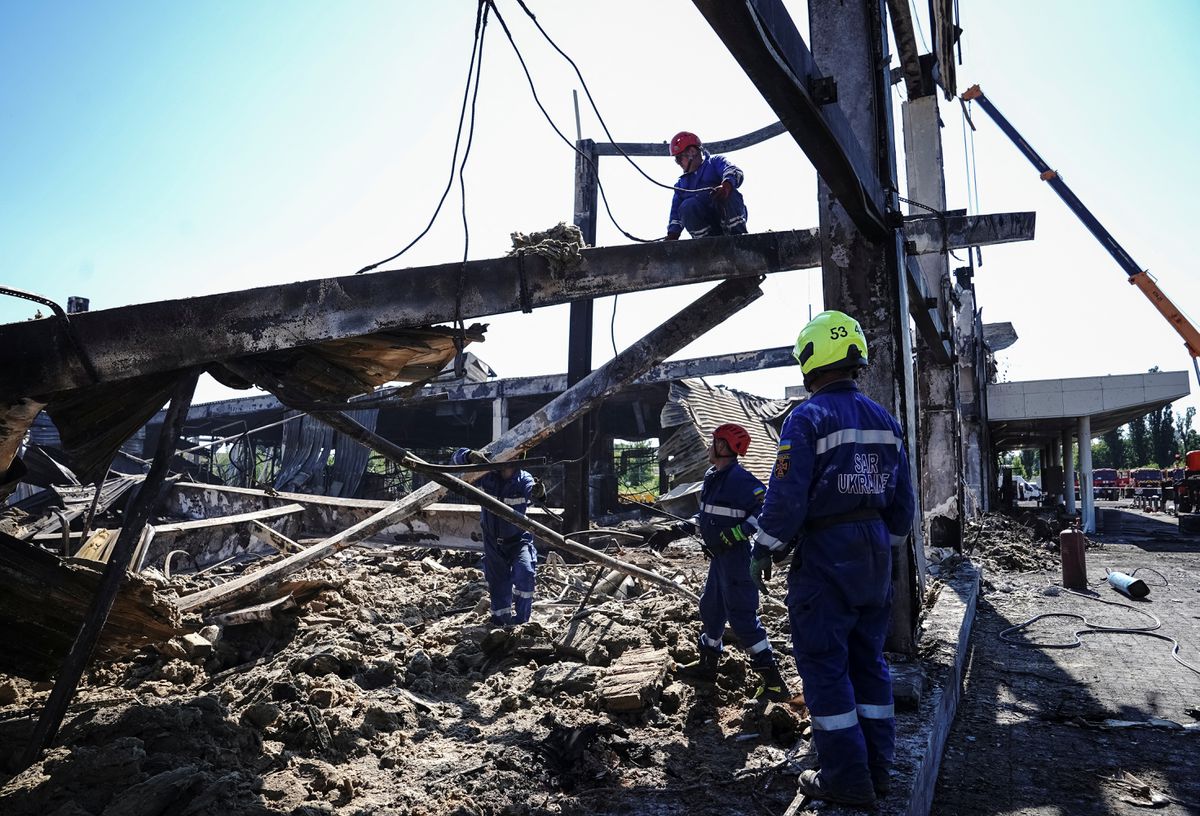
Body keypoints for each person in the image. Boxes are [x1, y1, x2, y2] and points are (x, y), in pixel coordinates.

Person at [749, 311, 916, 807]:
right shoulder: (885, 421)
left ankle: (845, 777)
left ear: (810, 358)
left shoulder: (807, 418)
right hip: (874, 557)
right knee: (869, 663)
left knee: (825, 666)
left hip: (826, 556)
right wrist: (880, 549)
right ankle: (878, 769)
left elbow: (785, 498)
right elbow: (904, 508)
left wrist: (764, 549)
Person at [675, 424, 791, 702]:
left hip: (737, 559)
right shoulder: (712, 476)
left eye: (713, 441)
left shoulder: (742, 480)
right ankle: (707, 666)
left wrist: (735, 534)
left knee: (742, 618)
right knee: (711, 608)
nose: (708, 446)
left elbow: (764, 511)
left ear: (724, 447)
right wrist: (677, 530)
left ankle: (774, 682)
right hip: (718, 559)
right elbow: (706, 515)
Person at [451, 448, 545, 627]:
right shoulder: (487, 476)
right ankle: (500, 623)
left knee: (525, 574)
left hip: (518, 541)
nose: (511, 459)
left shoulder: (523, 479)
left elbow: (534, 493)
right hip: (493, 542)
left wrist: (538, 492)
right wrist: (469, 455)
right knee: (498, 584)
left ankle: (522, 623)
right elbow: (454, 461)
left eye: (515, 456)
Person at [665, 131, 748, 240]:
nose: (678, 162)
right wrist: (672, 235)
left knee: (729, 193)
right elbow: (676, 213)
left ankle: (738, 238)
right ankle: (706, 244)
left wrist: (726, 186)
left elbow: (733, 171)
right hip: (707, 235)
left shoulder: (714, 163)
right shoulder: (681, 184)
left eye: (679, 158)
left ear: (692, 152)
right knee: (687, 206)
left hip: (727, 220)